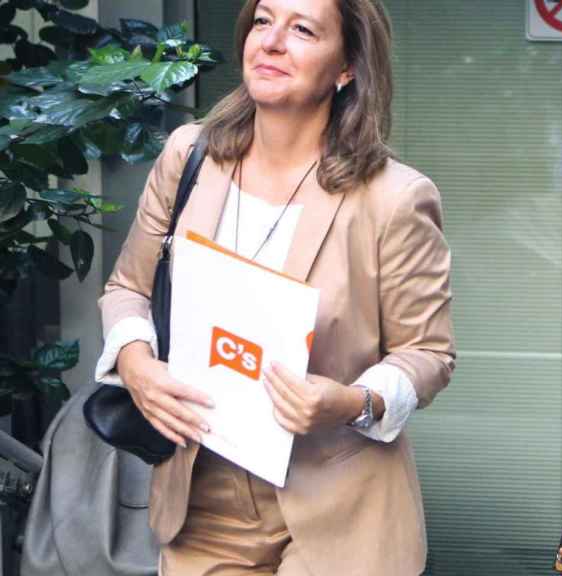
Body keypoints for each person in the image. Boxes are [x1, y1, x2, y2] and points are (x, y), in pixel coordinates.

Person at [94, 0, 455, 574]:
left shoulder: (394, 197)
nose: (272, 41)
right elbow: (127, 288)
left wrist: (352, 402)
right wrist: (136, 364)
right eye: (263, 21)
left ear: (347, 68)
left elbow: (428, 353)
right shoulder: (189, 156)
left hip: (340, 505)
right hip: (202, 494)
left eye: (303, 29)